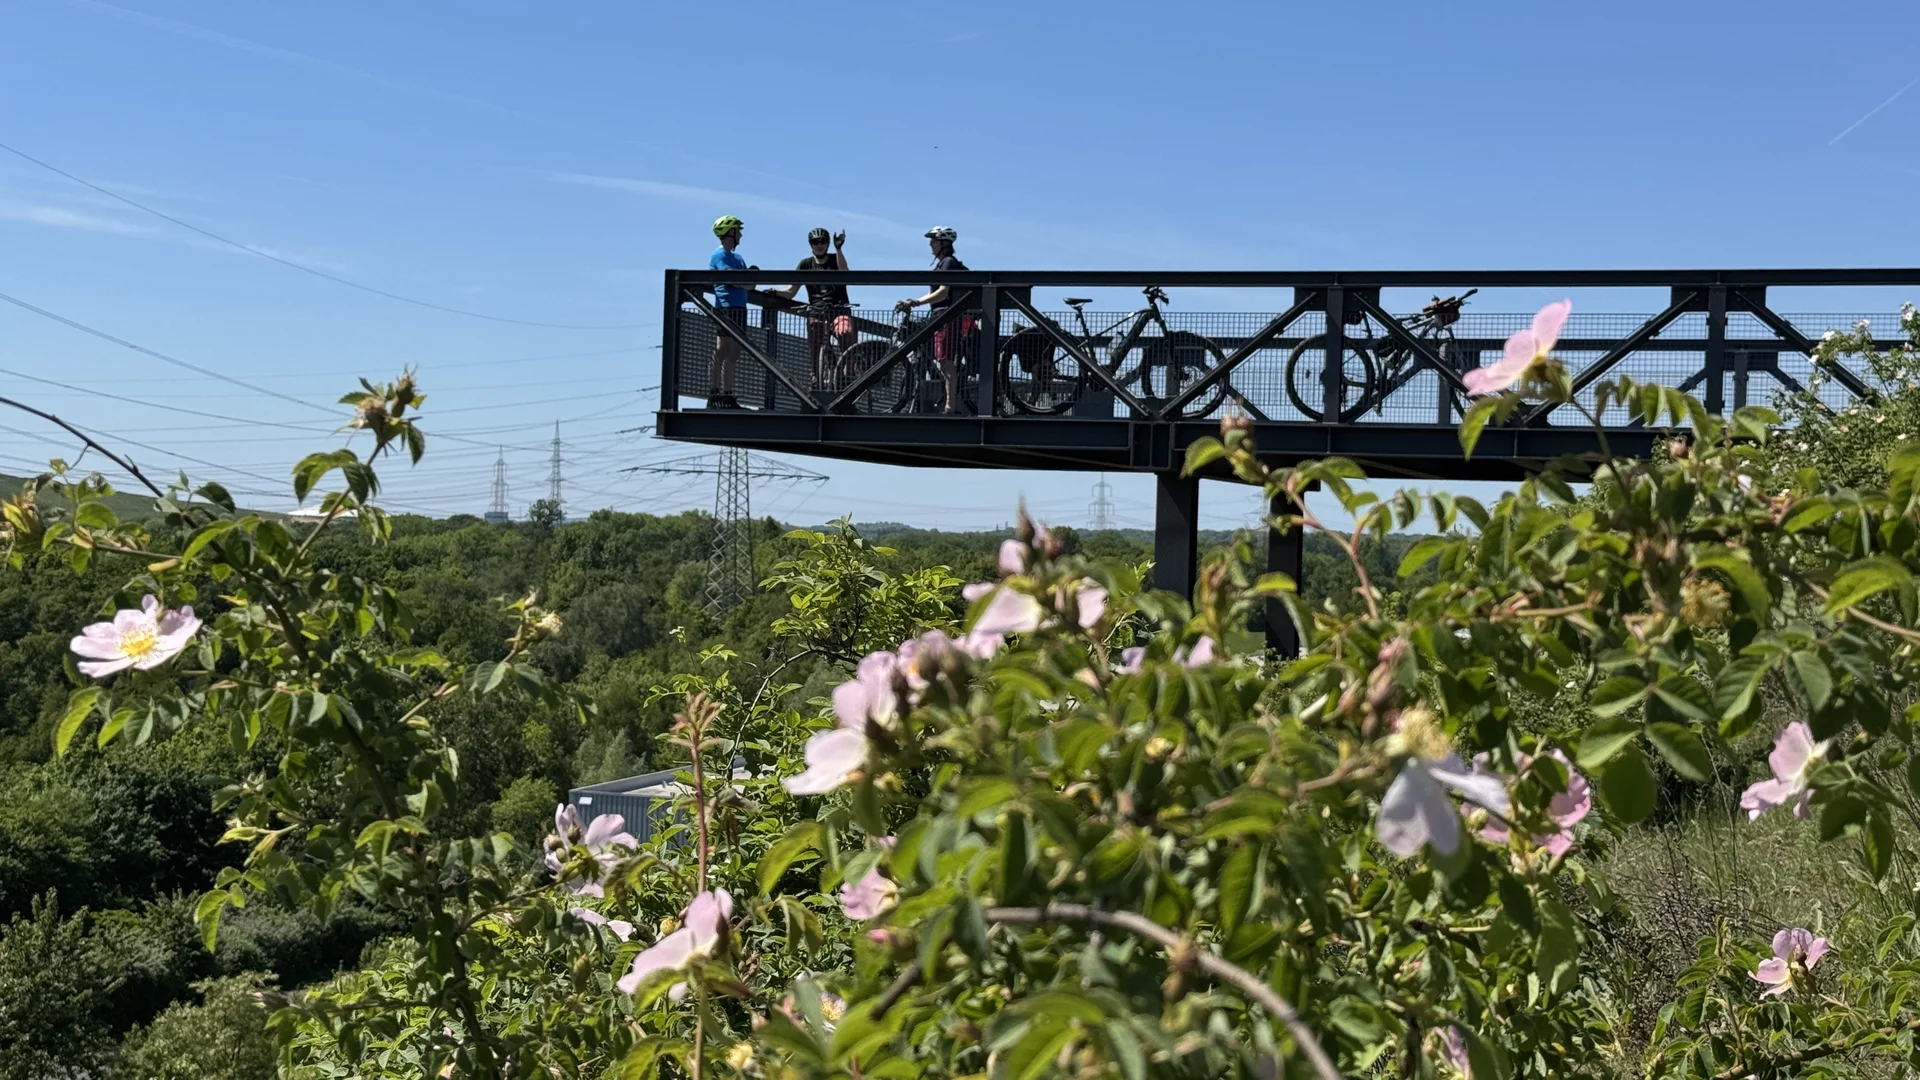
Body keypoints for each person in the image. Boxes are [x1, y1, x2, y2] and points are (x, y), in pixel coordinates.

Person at [895, 226, 972, 414]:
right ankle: (952, 401)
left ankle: (950, 406)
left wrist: (917, 302)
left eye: (933, 241)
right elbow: (934, 293)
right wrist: (914, 302)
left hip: (946, 316)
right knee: (940, 358)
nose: (930, 244)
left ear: (943, 244)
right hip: (940, 315)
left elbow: (943, 291)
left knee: (945, 361)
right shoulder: (943, 263)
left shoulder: (948, 262)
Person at [771, 228, 854, 387]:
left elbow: (845, 273)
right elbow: (790, 292)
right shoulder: (805, 264)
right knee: (814, 329)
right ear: (811, 245)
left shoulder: (835, 259)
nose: (819, 245)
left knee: (845, 331)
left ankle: (848, 373)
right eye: (816, 242)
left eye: (823, 242)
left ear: (828, 244)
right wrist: (774, 292)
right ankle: (816, 377)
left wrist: (838, 249)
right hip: (817, 311)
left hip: (839, 309)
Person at [707, 215, 763, 409]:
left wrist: (743, 281)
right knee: (722, 349)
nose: (740, 234)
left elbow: (749, 284)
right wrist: (743, 281)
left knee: (734, 352)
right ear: (730, 232)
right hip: (726, 307)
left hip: (740, 307)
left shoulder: (738, 258)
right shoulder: (719, 255)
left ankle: (728, 395)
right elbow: (731, 279)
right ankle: (714, 394)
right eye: (738, 230)